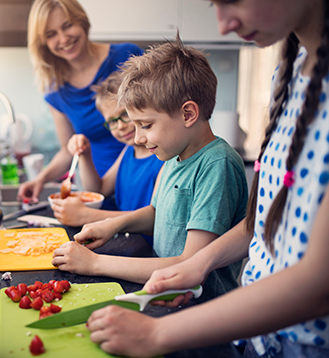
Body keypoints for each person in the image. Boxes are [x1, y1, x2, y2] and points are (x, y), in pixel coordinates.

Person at [83, 1, 329, 357]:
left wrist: (156, 333)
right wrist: (197, 265)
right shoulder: (288, 76)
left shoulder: (216, 162)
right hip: (257, 336)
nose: (223, 24)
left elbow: (318, 285)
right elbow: (261, 223)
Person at [52, 36, 249, 302]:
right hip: (162, 292)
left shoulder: (216, 165)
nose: (137, 138)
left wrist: (94, 263)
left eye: (145, 125)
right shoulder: (174, 154)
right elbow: (158, 212)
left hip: (199, 307)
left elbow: (189, 264)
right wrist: (111, 225)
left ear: (188, 114)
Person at [17, 0, 143, 203]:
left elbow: (159, 116)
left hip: (145, 177)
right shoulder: (56, 91)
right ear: (43, 43)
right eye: (51, 34)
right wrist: (40, 179)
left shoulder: (127, 56)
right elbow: (68, 150)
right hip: (99, 191)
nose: (63, 38)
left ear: (82, 21)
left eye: (67, 26)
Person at [49, 71, 164, 239]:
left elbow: (155, 220)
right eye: (111, 121)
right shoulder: (129, 151)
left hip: (148, 251)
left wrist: (86, 215)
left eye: (125, 115)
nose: (120, 126)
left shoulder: (162, 156)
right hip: (128, 241)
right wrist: (85, 155)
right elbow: (98, 190)